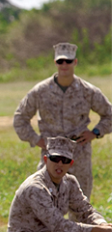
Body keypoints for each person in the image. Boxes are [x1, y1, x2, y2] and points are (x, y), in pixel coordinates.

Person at [13, 42, 112, 200]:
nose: (64, 65)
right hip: (51, 159)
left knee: (80, 210)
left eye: (68, 61)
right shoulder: (40, 91)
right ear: (55, 63)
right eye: (60, 61)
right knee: (47, 208)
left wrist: (95, 132)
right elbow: (20, 118)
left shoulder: (88, 91)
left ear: (75, 62)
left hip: (79, 157)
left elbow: (109, 114)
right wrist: (36, 140)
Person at [5, 136, 112, 232]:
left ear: (70, 163)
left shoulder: (69, 182)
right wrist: (97, 229)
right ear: (45, 159)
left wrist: (102, 225)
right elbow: (59, 226)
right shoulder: (35, 188)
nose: (59, 164)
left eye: (65, 160)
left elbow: (86, 211)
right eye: (55, 159)